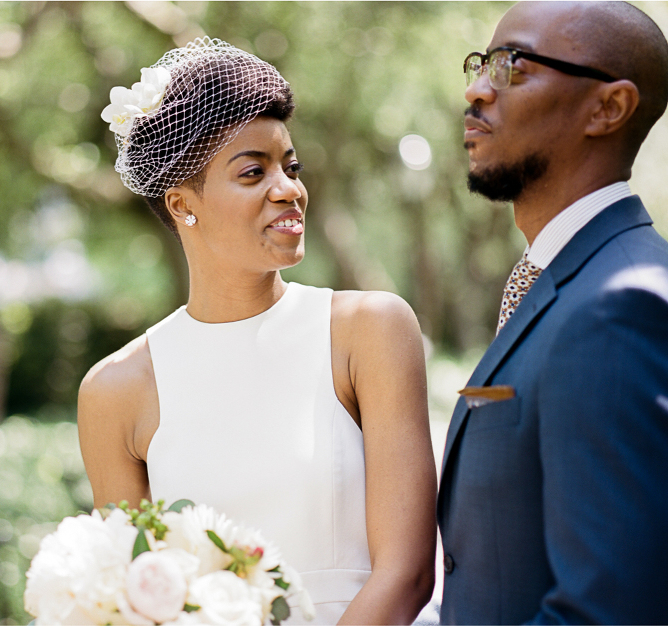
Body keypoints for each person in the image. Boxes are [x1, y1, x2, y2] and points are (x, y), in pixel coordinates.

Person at [78, 38, 437, 625]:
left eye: (291, 167)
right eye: (254, 172)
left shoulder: (368, 331)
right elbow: (133, 603)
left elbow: (407, 572)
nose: (289, 188)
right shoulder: (116, 391)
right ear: (181, 205)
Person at [438, 2, 668, 624]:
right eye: (481, 63)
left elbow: (611, 608)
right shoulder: (558, 281)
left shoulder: (623, 304)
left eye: (513, 65)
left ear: (608, 108)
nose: (476, 89)